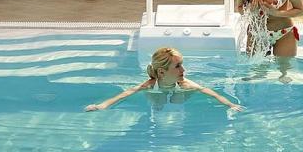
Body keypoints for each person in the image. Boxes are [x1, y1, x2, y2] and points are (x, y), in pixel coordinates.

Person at [85, 47, 243, 112]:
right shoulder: (151, 84)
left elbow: (212, 93)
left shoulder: (185, 84)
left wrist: (231, 105)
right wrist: (102, 106)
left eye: (182, 65)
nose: (183, 70)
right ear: (161, 72)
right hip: (158, 99)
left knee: (177, 99)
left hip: (178, 99)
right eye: (178, 66)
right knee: (158, 102)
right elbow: (126, 94)